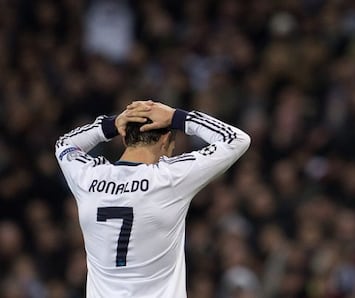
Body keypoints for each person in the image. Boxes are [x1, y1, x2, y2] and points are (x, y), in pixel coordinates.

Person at [54, 100, 251, 298]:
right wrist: (178, 116)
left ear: (125, 139)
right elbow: (236, 139)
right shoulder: (168, 178)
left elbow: (65, 144)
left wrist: (113, 124)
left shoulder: (88, 178)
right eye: (172, 147)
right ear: (165, 140)